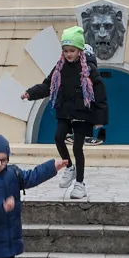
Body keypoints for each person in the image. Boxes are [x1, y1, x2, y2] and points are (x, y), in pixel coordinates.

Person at [24, 25, 108, 200]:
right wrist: (31, 93)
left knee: (78, 147)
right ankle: (69, 167)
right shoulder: (60, 68)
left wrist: (100, 118)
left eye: (72, 50)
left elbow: (100, 93)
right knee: (58, 137)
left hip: (83, 113)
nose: (69, 54)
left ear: (79, 50)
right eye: (66, 50)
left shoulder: (88, 69)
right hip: (65, 111)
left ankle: (80, 184)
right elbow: (48, 85)